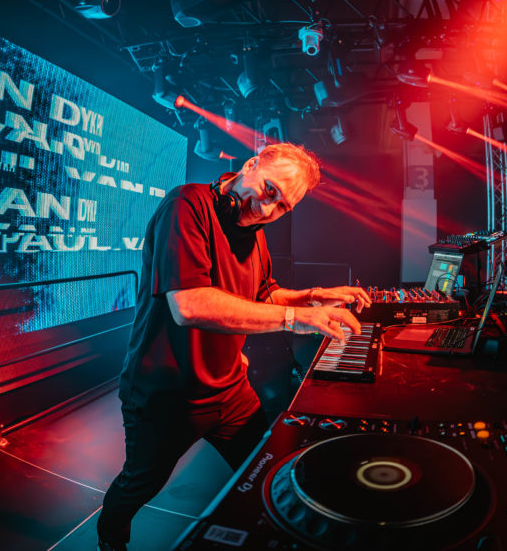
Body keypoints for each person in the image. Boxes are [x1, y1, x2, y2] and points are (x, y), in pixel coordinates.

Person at [97, 143, 371, 551]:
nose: (267, 210)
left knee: (269, 467)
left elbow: (265, 293)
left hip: (230, 390)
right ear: (250, 164)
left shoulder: (255, 236)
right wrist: (295, 318)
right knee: (139, 484)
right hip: (166, 395)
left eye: (282, 206)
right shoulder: (186, 205)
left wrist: (314, 296)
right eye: (269, 190)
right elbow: (189, 305)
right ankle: (109, 539)